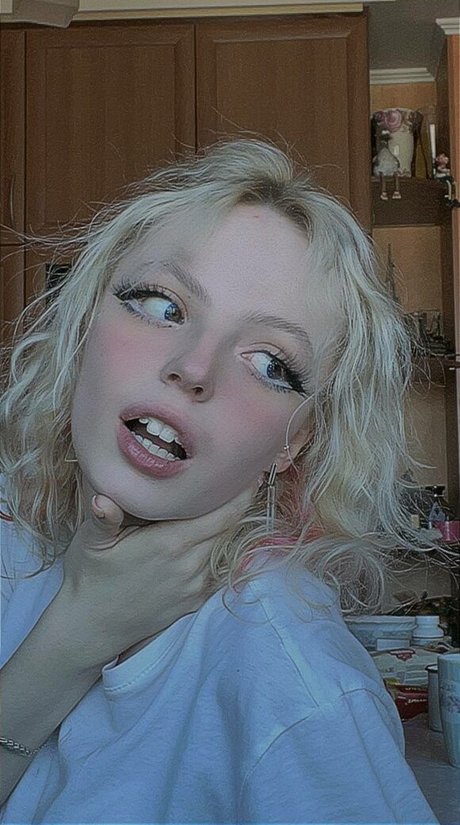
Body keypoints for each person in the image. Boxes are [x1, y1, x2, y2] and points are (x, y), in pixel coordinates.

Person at [0, 139, 438, 824]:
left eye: (271, 364)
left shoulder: (298, 684)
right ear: (84, 320)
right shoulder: (14, 541)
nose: (194, 367)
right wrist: (72, 638)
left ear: (294, 442)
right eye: (162, 305)